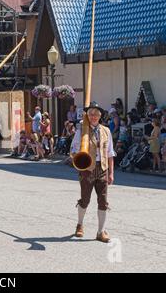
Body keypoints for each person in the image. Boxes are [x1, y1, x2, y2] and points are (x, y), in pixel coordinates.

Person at [70, 102, 116, 243]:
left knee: (103, 201)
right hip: (86, 168)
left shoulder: (106, 131)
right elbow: (73, 150)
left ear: (100, 116)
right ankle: (80, 224)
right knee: (85, 200)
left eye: (96, 114)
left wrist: (110, 173)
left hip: (102, 168)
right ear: (87, 116)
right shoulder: (81, 131)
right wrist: (78, 161)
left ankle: (100, 232)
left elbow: (110, 153)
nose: (93, 116)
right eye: (90, 114)